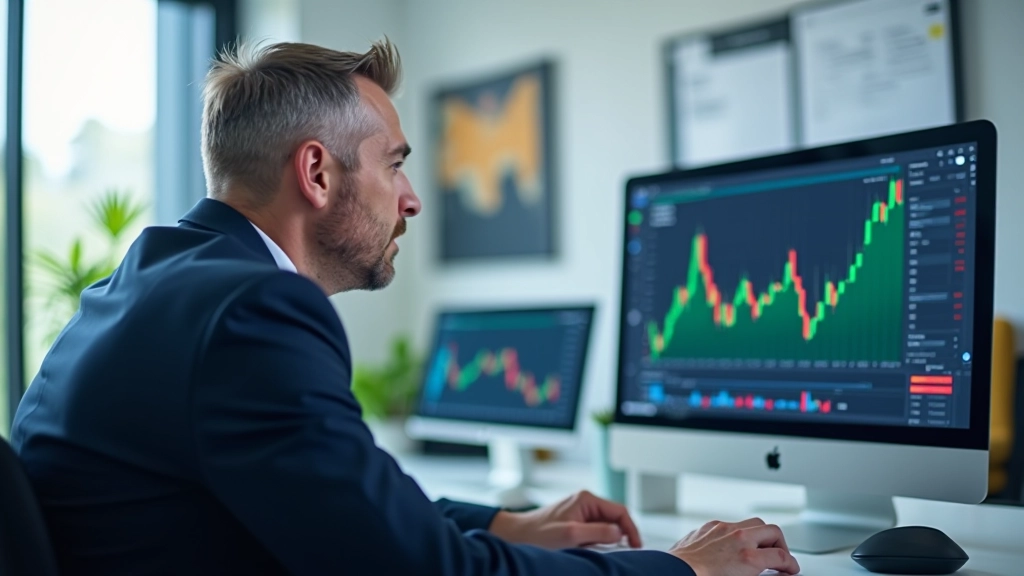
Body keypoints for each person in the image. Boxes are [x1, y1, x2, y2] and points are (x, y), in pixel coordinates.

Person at [11, 38, 800, 576]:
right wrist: (678, 565)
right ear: (316, 173)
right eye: (394, 165)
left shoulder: (152, 279)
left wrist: (499, 523)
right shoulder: (255, 309)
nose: (413, 200)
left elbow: (337, 498)